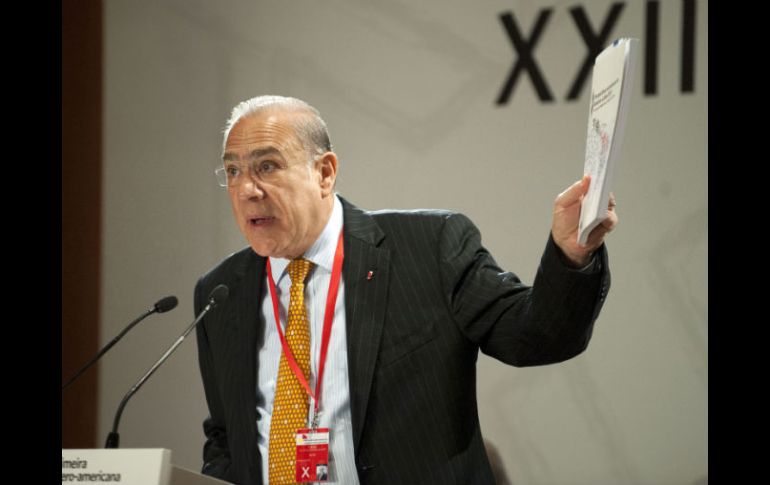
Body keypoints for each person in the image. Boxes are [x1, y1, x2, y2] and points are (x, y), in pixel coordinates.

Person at [194, 95, 616, 485]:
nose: (247, 189)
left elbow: (536, 337)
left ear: (324, 172)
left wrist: (570, 255)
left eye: (266, 166)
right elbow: (227, 436)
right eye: (233, 170)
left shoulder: (428, 248)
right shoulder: (221, 292)